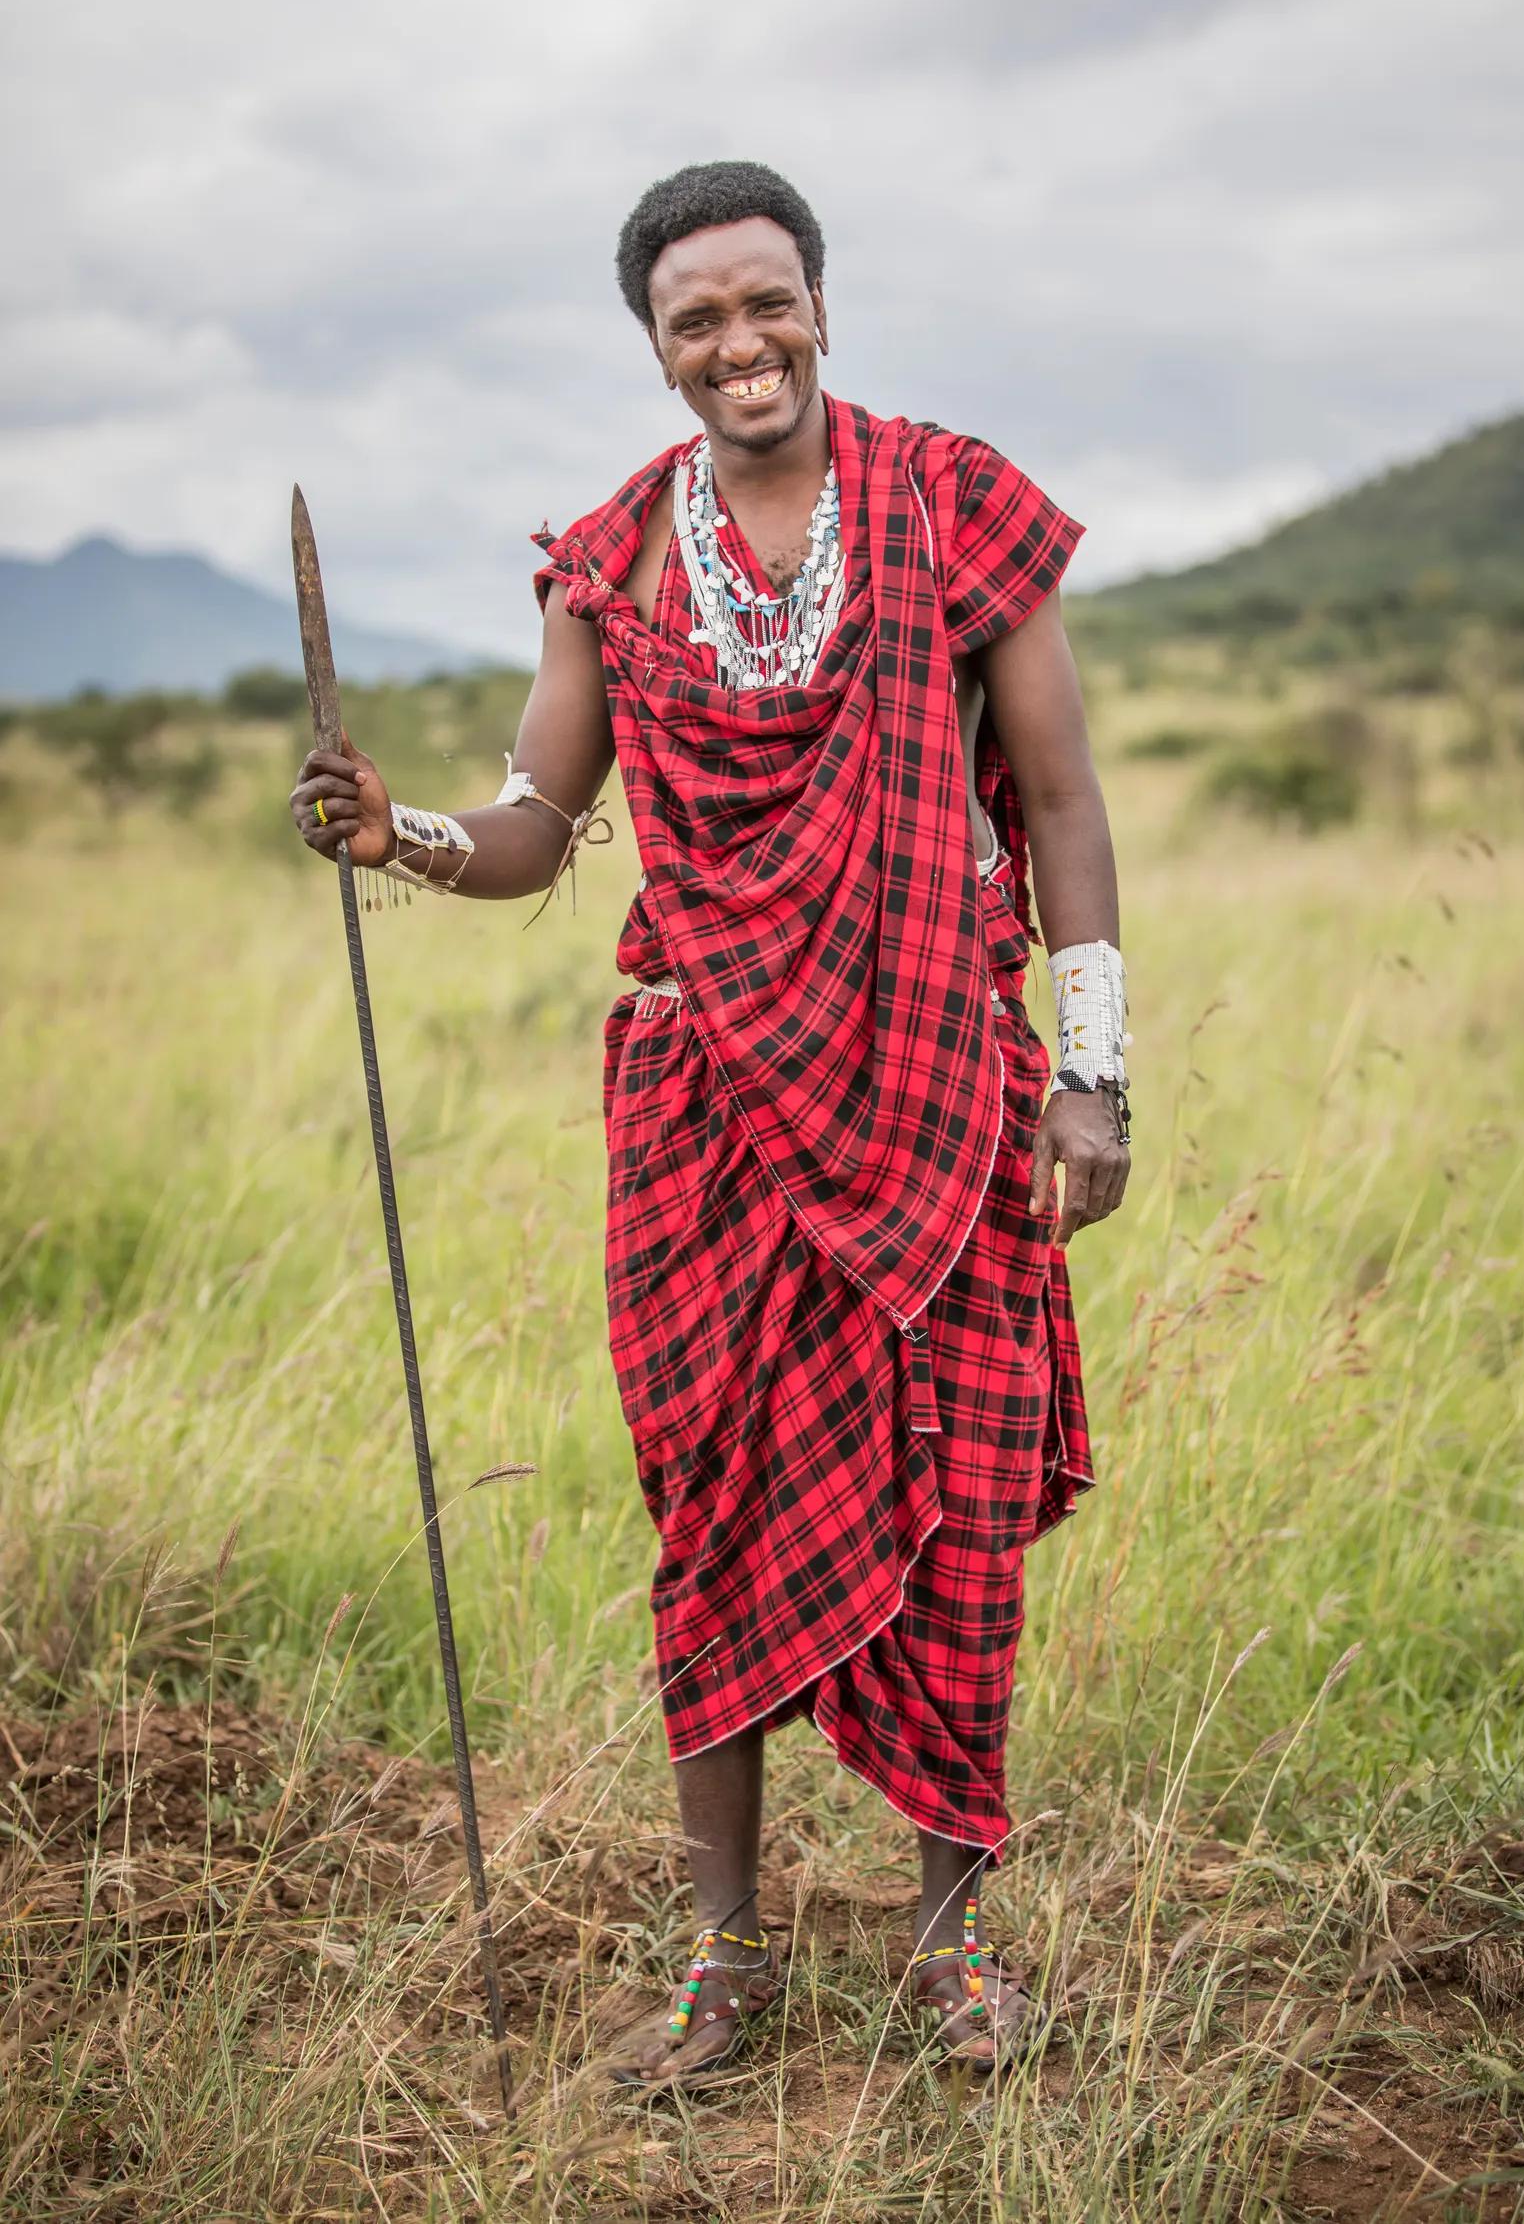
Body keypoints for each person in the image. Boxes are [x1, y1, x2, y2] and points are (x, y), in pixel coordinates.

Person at [291, 160, 1130, 2087]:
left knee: (962, 1507)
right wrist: (396, 829)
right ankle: (723, 1966)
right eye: (695, 321)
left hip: (938, 1085)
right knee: (714, 1502)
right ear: (656, 351)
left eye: (766, 302)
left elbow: (1066, 807)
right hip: (710, 1106)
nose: (737, 344)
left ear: (820, 301)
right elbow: (531, 830)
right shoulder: (614, 560)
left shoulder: (950, 504)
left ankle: (947, 1949)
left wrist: (1095, 1070)